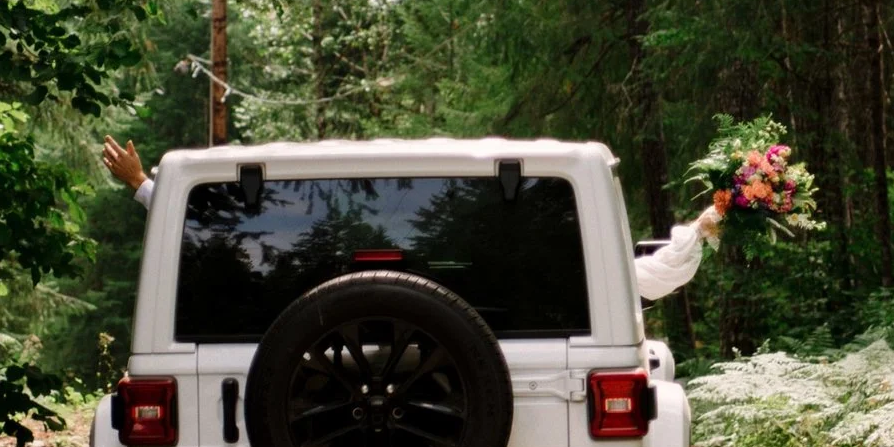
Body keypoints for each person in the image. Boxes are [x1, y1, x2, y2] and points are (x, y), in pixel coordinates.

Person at [101, 136, 723, 300]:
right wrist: (696, 231)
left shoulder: (298, 284)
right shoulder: (547, 278)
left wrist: (146, 189)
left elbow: (239, 244)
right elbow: (643, 279)